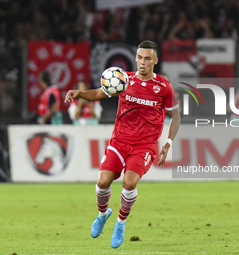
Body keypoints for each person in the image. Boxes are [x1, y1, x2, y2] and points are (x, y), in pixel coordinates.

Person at [65, 40, 181, 249]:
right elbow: (99, 93)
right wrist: (80, 93)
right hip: (119, 141)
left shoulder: (164, 87)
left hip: (144, 146)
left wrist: (168, 144)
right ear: (135, 58)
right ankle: (103, 214)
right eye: (139, 57)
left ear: (155, 60)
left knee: (129, 183)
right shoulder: (123, 79)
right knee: (102, 183)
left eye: (147, 58)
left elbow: (176, 116)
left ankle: (120, 223)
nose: (142, 62)